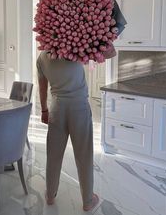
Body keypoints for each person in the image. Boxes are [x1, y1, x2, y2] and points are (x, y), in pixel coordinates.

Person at [36, 43, 116, 212]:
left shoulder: (42, 57)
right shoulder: (74, 48)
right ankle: (88, 201)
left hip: (57, 107)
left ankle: (50, 195)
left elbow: (42, 87)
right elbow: (111, 53)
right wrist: (99, 36)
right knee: (83, 155)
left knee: (53, 154)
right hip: (79, 107)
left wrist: (44, 109)